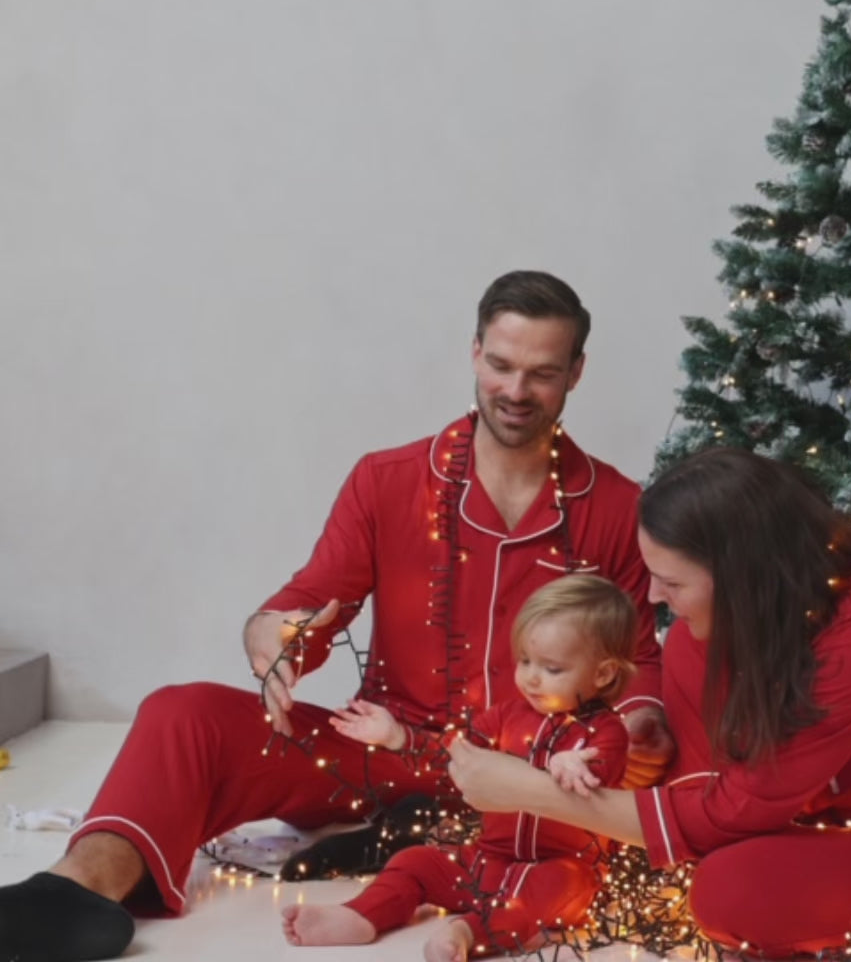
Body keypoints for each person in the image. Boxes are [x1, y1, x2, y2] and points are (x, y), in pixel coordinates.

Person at [0, 270, 671, 962]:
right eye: (501, 365)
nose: (516, 390)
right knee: (182, 713)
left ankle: (415, 843)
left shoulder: (618, 507)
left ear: (576, 373)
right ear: (475, 353)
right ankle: (73, 892)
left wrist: (639, 722)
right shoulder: (388, 480)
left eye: (542, 373)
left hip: (539, 781)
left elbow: (641, 664)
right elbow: (311, 601)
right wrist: (274, 635)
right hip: (385, 755)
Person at [447, 446, 851, 957]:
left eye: (672, 580)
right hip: (843, 819)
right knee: (689, 645)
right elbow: (712, 793)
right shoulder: (776, 604)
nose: (654, 597)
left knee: (729, 893)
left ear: (743, 573)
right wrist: (654, 737)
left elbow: (730, 813)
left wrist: (534, 793)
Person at [282, 574, 638, 960]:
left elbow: (599, 777)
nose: (532, 678)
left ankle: (468, 931)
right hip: (489, 860)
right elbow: (453, 753)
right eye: (525, 661)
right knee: (414, 860)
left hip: (560, 868)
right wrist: (398, 736)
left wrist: (572, 767)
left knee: (547, 894)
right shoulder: (506, 716)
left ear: (602, 673)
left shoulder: (607, 733)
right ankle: (363, 915)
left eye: (552, 669)